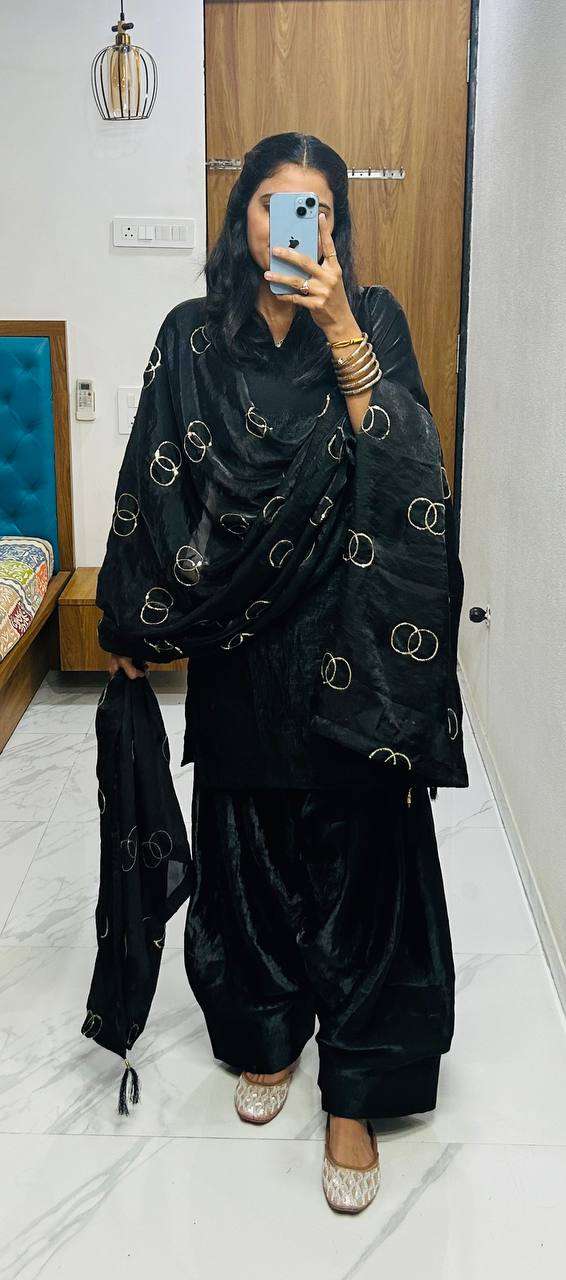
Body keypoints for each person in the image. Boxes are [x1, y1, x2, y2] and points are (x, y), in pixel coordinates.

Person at [106, 132, 461, 1215]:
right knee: (249, 840)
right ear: (242, 218)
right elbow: (151, 480)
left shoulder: (374, 316)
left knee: (360, 855)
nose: (290, 226)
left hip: (353, 632)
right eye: (271, 203)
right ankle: (265, 1028)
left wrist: (342, 327)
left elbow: (408, 465)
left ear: (335, 227)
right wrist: (134, 609)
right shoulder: (192, 333)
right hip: (241, 640)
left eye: (315, 209)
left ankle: (355, 1084)